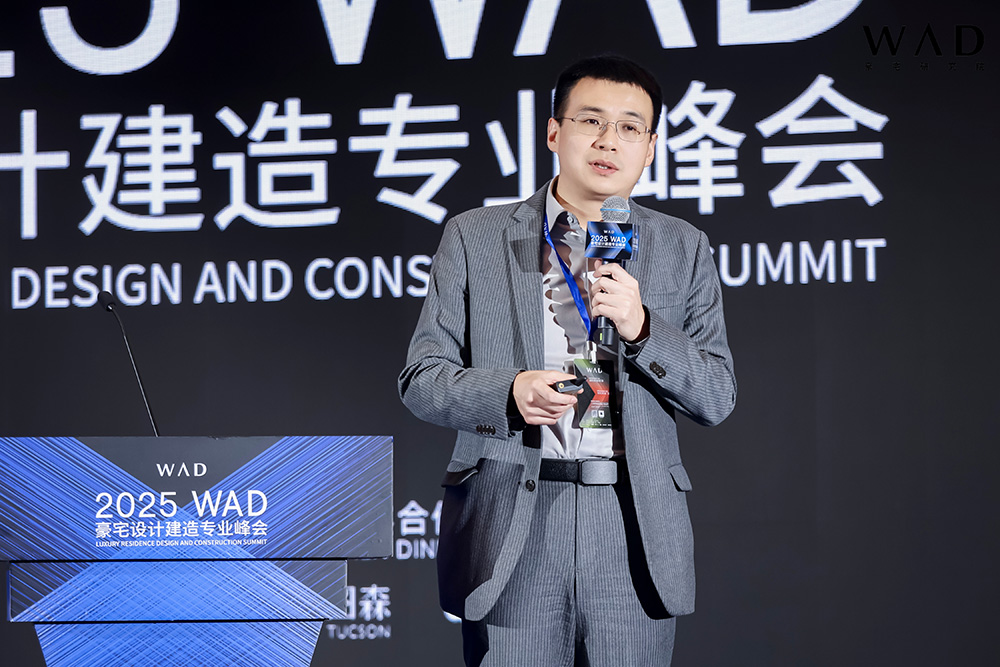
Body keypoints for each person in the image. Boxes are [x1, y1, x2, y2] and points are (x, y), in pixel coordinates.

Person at [398, 54, 736, 666]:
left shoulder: (683, 247)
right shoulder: (474, 236)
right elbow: (422, 379)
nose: (609, 141)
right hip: (513, 519)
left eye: (630, 127)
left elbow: (716, 395)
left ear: (651, 147)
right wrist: (508, 392)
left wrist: (643, 329)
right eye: (591, 121)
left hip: (630, 524)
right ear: (554, 132)